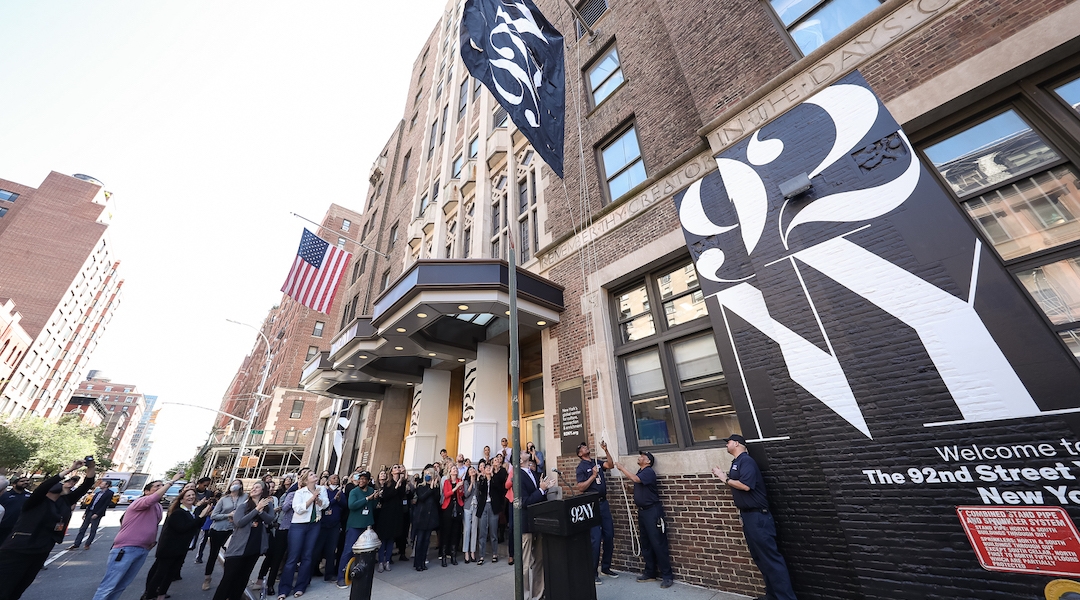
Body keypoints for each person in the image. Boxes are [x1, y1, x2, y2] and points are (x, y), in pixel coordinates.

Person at [712, 434, 797, 600]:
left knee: (770, 559)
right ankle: (772, 595)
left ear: (736, 443)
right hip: (749, 517)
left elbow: (746, 486)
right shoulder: (737, 462)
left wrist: (724, 478)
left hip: (759, 518)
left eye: (728, 442)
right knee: (760, 558)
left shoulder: (746, 461)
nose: (726, 445)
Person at [0, 459, 95, 600]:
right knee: (4, 588)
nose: (69, 484)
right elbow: (45, 485)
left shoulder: (65, 501)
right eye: (66, 482)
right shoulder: (35, 501)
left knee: (19, 587)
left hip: (42, 550)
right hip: (18, 550)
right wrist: (71, 468)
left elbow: (86, 485)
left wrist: (91, 468)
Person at [91, 473, 183, 600]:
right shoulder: (141, 501)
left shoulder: (158, 507)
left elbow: (153, 524)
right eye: (156, 486)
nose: (160, 488)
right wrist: (171, 482)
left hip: (142, 549)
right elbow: (152, 499)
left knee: (122, 585)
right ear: (146, 491)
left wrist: (151, 542)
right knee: (109, 585)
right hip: (126, 548)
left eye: (161, 485)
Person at [614, 451, 673, 589]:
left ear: (648, 462)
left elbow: (636, 480)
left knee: (658, 543)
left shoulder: (648, 472)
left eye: (642, 456)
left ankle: (667, 576)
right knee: (646, 544)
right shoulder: (640, 472)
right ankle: (650, 572)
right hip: (642, 512)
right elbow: (637, 487)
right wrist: (629, 490)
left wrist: (622, 468)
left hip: (652, 512)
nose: (639, 457)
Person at [143, 489, 212, 600]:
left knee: (170, 574)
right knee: (161, 573)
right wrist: (200, 517)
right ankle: (149, 595)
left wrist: (203, 515)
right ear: (181, 499)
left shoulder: (192, 512)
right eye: (188, 495)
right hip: (169, 549)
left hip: (181, 548)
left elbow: (197, 526)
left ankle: (161, 595)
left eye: (193, 495)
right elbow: (183, 528)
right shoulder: (178, 512)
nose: (191, 497)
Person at [213, 481, 274, 600]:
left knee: (243, 579)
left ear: (263, 491)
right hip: (238, 547)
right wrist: (256, 509)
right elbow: (239, 522)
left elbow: (269, 520)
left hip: (254, 547)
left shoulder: (268, 505)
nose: (253, 489)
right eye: (253, 487)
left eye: (257, 487)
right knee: (228, 579)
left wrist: (261, 511)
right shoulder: (244, 505)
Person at [277, 471, 328, 599]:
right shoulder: (300, 492)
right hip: (299, 525)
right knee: (293, 556)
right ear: (306, 480)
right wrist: (312, 498)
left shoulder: (322, 489)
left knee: (307, 556)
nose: (314, 475)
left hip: (314, 525)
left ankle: (301, 586)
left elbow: (326, 504)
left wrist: (319, 501)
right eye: (311, 475)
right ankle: (284, 588)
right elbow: (298, 508)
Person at [575, 440, 618, 584]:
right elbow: (580, 488)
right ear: (580, 453)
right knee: (595, 539)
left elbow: (610, 465)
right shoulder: (581, 468)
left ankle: (606, 568)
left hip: (603, 503)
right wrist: (593, 476)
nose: (587, 447)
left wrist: (606, 450)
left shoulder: (597, 461)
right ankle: (593, 572)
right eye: (584, 447)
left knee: (609, 534)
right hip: (591, 505)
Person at [517, 451, 552, 600]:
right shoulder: (518, 476)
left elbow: (538, 497)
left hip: (538, 522)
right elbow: (524, 502)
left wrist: (545, 488)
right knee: (525, 564)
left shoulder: (534, 473)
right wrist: (541, 490)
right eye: (522, 452)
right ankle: (524, 596)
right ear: (519, 460)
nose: (525, 452)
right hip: (526, 524)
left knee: (540, 560)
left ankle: (537, 594)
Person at [203, 478, 245, 591]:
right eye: (234, 483)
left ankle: (227, 581)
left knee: (231, 557)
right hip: (219, 529)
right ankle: (207, 578)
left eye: (238, 484)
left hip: (234, 530)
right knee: (213, 554)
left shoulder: (244, 498)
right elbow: (213, 516)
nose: (235, 485)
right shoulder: (223, 499)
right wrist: (228, 515)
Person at [336, 471, 375, 586]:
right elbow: (352, 505)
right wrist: (367, 499)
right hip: (354, 525)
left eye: (364, 479)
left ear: (368, 481)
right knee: (348, 551)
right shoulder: (354, 491)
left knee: (362, 553)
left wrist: (376, 498)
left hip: (367, 524)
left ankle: (357, 574)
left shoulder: (371, 491)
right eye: (360, 478)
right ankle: (341, 577)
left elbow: (373, 506)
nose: (362, 481)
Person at [372, 469, 404, 574]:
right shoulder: (387, 484)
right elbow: (386, 497)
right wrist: (396, 487)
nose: (397, 470)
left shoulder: (401, 483)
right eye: (395, 468)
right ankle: (381, 561)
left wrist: (400, 484)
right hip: (386, 514)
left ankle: (388, 561)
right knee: (383, 539)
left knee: (391, 539)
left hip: (395, 514)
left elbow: (402, 496)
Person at [315, 474, 345, 582]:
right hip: (323, 524)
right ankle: (312, 570)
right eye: (333, 478)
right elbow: (323, 505)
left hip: (334, 525)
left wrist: (339, 499)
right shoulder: (324, 491)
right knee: (317, 549)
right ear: (328, 481)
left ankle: (329, 574)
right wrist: (334, 500)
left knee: (331, 550)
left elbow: (344, 505)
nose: (336, 479)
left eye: (337, 478)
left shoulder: (340, 492)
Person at [69, 478, 114, 550]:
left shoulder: (109, 493)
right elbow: (91, 503)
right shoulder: (97, 493)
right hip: (90, 512)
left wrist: (97, 514)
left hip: (97, 514)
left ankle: (87, 544)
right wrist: (85, 513)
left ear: (107, 485)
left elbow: (105, 505)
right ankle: (76, 544)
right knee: (82, 529)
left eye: (102, 484)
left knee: (93, 530)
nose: (100, 485)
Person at [412, 467, 440, 571]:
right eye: (426, 473)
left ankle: (423, 562)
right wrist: (431, 488)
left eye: (429, 473)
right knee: (420, 540)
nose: (427, 475)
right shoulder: (420, 486)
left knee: (426, 541)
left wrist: (434, 487)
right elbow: (422, 497)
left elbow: (437, 500)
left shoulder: (436, 488)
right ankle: (417, 563)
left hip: (430, 517)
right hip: (421, 517)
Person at [439, 466, 464, 567]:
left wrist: (460, 488)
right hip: (448, 508)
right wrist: (456, 487)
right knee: (446, 532)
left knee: (455, 532)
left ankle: (453, 556)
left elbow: (461, 495)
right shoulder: (447, 482)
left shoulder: (459, 481)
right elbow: (446, 494)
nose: (455, 470)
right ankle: (444, 556)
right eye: (453, 469)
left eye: (456, 469)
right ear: (450, 472)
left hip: (457, 508)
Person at [487, 454, 508, 562]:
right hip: (492, 497)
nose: (496, 461)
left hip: (501, 495)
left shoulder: (502, 471)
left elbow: (499, 483)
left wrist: (492, 474)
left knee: (501, 514)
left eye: (497, 460)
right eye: (494, 460)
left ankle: (501, 534)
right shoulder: (490, 472)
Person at [0, 475, 33, 544]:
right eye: (22, 481)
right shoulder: (5, 495)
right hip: (5, 526)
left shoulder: (30, 496)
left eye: (27, 481)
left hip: (22, 526)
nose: (25, 482)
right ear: (13, 484)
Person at [461, 466, 479, 564]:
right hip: (467, 507)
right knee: (467, 529)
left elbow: (478, 494)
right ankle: (466, 552)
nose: (472, 471)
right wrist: (471, 483)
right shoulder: (466, 482)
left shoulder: (478, 482)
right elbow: (466, 494)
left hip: (475, 506)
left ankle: (473, 551)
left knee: (474, 529)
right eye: (470, 470)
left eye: (473, 470)